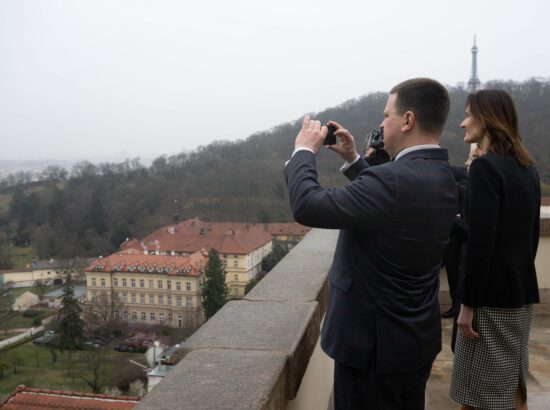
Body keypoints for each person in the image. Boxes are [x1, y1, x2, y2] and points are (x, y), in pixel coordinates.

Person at [284, 78, 458, 409]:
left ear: (407, 121)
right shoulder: (442, 176)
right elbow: (389, 206)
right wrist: (353, 160)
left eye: (386, 115)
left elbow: (307, 205)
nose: (381, 123)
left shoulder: (392, 180)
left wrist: (304, 151)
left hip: (372, 349)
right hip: (413, 340)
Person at [450, 89, 540, 410]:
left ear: (486, 119)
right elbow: (529, 240)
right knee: (511, 387)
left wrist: (468, 304)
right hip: (519, 295)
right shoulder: (527, 168)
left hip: (488, 301)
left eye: (468, 115)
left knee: (479, 397)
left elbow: (480, 244)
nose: (463, 123)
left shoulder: (487, 169)